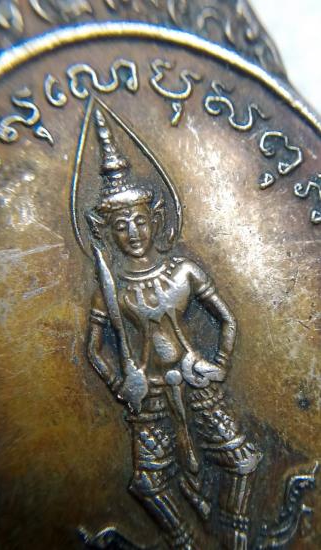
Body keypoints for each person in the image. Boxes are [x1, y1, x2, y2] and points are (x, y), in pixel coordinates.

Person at [86, 108, 262, 550]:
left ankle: (235, 530)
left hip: (197, 379)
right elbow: (94, 348)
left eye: (140, 221)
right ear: (108, 233)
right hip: (148, 393)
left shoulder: (183, 271)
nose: (133, 233)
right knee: (149, 483)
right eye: (121, 226)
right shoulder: (111, 290)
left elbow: (226, 319)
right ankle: (185, 542)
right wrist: (120, 384)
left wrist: (220, 365)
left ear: (156, 219)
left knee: (241, 461)